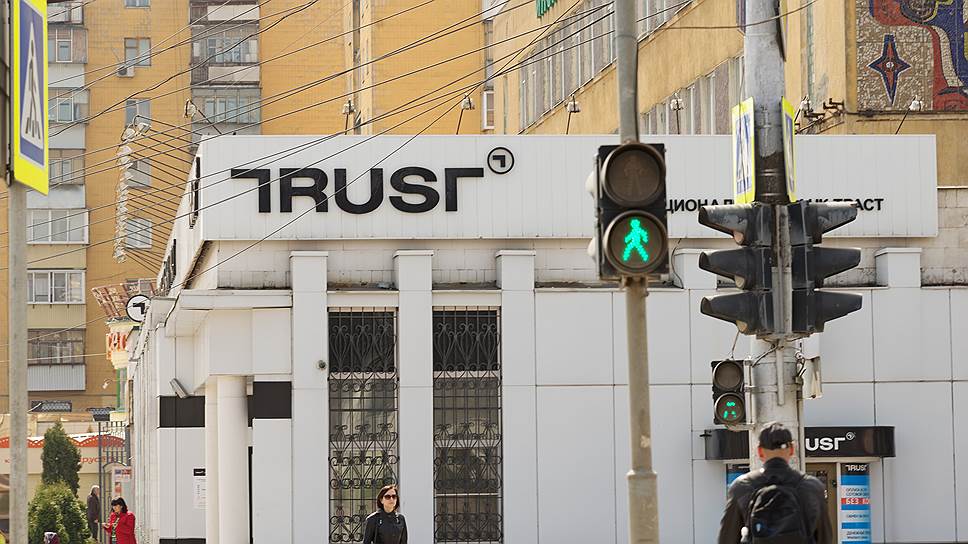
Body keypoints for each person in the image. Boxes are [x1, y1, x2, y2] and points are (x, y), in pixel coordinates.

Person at [718, 422, 833, 544]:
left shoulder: (743, 486)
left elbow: (727, 538)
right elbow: (825, 538)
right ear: (792, 449)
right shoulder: (812, 487)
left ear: (760, 451)